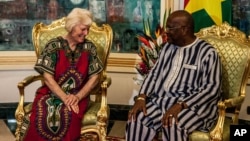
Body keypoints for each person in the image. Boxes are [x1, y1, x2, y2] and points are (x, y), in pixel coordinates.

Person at [126, 10, 222, 141]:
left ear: (184, 29)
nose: (166, 32)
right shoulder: (167, 48)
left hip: (193, 107)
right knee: (136, 117)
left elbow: (212, 89)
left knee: (172, 123)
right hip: (162, 101)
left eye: (170, 28)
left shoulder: (207, 53)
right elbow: (154, 74)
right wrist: (141, 97)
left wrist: (181, 104)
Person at [22, 8, 103, 141]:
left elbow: (95, 77)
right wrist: (65, 98)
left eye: (87, 29)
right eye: (83, 29)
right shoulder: (53, 46)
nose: (86, 33)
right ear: (72, 26)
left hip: (78, 96)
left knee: (69, 114)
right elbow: (47, 78)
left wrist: (77, 96)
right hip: (51, 93)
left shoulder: (89, 48)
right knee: (42, 115)